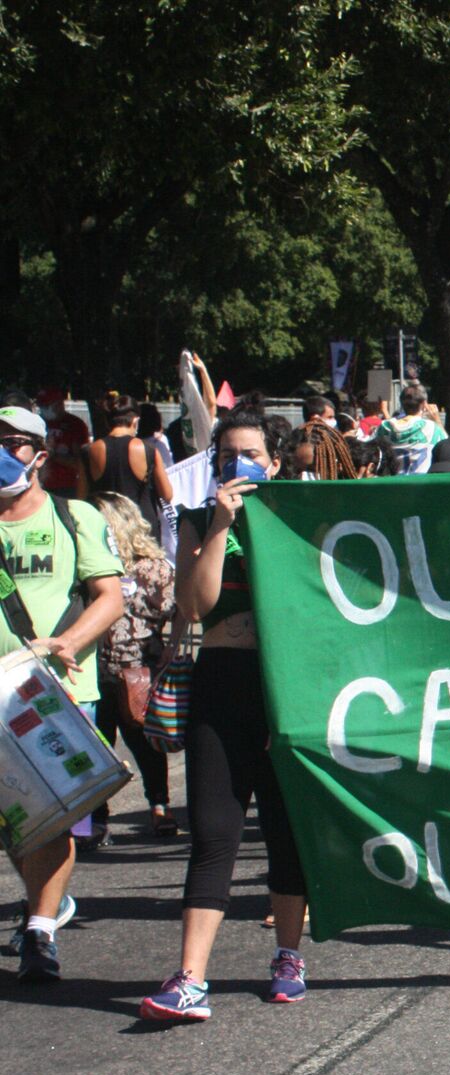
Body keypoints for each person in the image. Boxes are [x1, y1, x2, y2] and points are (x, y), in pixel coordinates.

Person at [141, 409, 309, 1021]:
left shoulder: (300, 515)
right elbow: (195, 603)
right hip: (222, 682)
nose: (234, 465)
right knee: (214, 830)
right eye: (223, 457)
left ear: (274, 460)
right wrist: (218, 526)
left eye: (247, 454)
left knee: (285, 829)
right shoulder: (195, 522)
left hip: (286, 686)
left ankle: (288, 956)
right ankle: (190, 978)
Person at [0, 405, 126, 981]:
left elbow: (109, 596)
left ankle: (39, 933)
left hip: (56, 694)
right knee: (13, 823)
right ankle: (43, 902)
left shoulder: (74, 517)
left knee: (48, 819)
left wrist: (69, 641)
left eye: (12, 442)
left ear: (40, 454)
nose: (3, 452)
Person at [92, 492, 177, 838]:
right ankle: (97, 815)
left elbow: (179, 607)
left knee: (145, 743)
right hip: (95, 668)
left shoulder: (152, 567)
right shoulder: (92, 567)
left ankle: (159, 805)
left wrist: (170, 645)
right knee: (97, 746)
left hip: (139, 668)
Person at [85, 393, 175, 543]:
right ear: (136, 421)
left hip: (105, 528)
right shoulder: (148, 450)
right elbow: (167, 494)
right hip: (143, 529)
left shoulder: (89, 451)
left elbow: (82, 496)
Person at [36, 389, 90, 498]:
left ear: (59, 404)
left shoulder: (75, 424)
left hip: (67, 486)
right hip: (40, 484)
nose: (43, 409)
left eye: (47, 405)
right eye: (41, 406)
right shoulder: (39, 422)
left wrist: (53, 455)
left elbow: (80, 462)